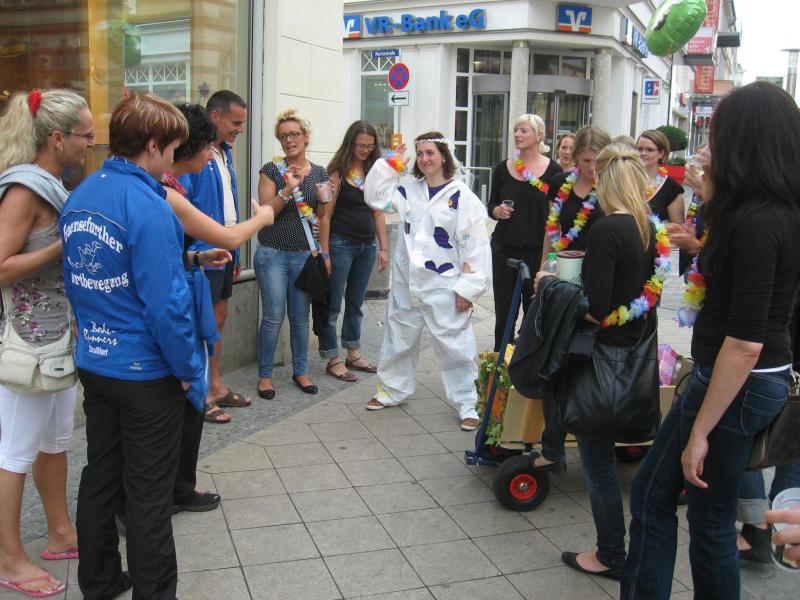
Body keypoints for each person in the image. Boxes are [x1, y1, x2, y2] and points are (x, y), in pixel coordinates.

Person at [622, 81, 800, 600]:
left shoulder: (761, 221)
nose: (708, 146)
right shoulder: (766, 210)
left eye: (718, 135)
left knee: (703, 515)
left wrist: (700, 430)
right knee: (668, 498)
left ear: (743, 141)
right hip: (736, 378)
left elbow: (745, 342)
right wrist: (712, 197)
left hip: (739, 381)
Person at [62, 92, 205, 600]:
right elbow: (167, 305)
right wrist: (188, 370)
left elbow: (81, 280)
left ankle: (99, 582)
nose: (174, 158)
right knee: (149, 496)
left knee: (101, 476)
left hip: (96, 361)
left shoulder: (81, 194)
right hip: (144, 371)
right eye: (173, 148)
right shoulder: (149, 205)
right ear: (152, 145)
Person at [536, 143, 667, 580]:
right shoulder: (650, 226)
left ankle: (611, 553)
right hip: (633, 349)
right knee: (604, 456)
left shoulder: (609, 228)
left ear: (606, 180)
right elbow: (645, 295)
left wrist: (551, 283)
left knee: (597, 462)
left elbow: (595, 308)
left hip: (603, 354)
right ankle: (616, 549)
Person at [0, 89, 92, 598]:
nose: (90, 144)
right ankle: (9, 558)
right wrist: (63, 244)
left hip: (56, 338)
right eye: (85, 135)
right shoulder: (23, 190)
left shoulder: (52, 185)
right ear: (57, 138)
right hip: (26, 342)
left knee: (55, 441)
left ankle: (59, 533)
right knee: (13, 452)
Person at [162, 103, 274, 516]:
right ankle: (161, 498)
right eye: (206, 147)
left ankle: (179, 488)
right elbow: (224, 233)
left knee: (187, 398)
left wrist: (195, 257)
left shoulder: (167, 182)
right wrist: (265, 215)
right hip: (169, 315)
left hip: (189, 281)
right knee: (177, 402)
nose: (211, 155)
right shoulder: (161, 190)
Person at [362, 132, 492, 431]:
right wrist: (391, 163)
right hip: (408, 282)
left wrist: (468, 288)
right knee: (399, 336)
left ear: (444, 155)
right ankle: (392, 389)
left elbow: (475, 245)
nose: (424, 159)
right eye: (420, 153)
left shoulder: (463, 198)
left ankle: (468, 402)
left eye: (430, 153)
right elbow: (375, 197)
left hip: (444, 284)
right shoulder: (409, 190)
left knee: (455, 345)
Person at [534, 125, 611, 474]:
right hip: (563, 284)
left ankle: (591, 444)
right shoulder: (561, 185)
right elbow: (551, 234)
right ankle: (553, 448)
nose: (592, 168)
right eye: (586, 161)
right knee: (554, 364)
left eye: (597, 161)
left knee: (584, 366)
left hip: (597, 287)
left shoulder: (611, 189)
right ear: (576, 157)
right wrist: (543, 272)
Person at [180, 90, 251, 414]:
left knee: (218, 319)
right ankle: (200, 393)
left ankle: (216, 385)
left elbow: (228, 207)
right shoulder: (195, 155)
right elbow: (186, 207)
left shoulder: (224, 153)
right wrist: (198, 250)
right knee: (201, 324)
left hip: (223, 250)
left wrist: (235, 254)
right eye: (235, 123)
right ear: (215, 117)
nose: (240, 129)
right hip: (202, 253)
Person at [255, 109, 331, 398]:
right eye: (283, 136)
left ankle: (301, 371)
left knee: (300, 318)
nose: (289, 140)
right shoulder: (271, 170)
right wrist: (288, 188)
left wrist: (324, 200)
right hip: (273, 254)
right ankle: (265, 376)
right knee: (274, 316)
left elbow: (321, 217)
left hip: (303, 256)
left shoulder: (320, 172)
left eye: (294, 134)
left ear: (306, 137)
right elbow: (266, 213)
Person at [320, 120, 388, 381]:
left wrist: (383, 248)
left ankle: (353, 352)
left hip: (366, 245)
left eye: (369, 146)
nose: (365, 150)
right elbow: (325, 216)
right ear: (351, 143)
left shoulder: (374, 170)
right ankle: (333, 358)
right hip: (341, 244)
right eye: (360, 145)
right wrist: (325, 253)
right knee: (333, 304)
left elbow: (378, 211)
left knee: (356, 303)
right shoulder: (338, 171)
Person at [488, 114, 561, 351]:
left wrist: (551, 259)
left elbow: (558, 215)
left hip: (537, 251)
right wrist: (497, 210)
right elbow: (491, 205)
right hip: (504, 249)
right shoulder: (503, 168)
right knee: (504, 314)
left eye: (524, 130)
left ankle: (527, 364)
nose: (517, 135)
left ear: (539, 136)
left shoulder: (554, 171)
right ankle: (500, 363)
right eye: (516, 130)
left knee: (534, 312)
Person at [635, 130, 684, 224]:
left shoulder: (672, 188)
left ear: (661, 153)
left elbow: (678, 227)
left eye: (649, 150)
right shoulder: (626, 180)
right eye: (639, 149)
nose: (643, 153)